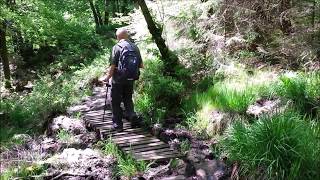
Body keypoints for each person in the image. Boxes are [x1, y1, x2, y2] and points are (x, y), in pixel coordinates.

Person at [105, 28, 143, 131]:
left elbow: (112, 65)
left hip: (118, 79)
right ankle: (132, 116)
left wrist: (107, 77)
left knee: (115, 101)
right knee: (128, 98)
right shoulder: (135, 47)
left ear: (117, 37)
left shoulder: (116, 47)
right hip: (131, 78)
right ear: (127, 36)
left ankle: (118, 125)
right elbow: (141, 65)